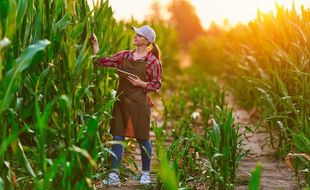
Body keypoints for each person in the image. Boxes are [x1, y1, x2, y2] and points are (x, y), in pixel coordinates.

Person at [89, 25, 162, 187]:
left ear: (147, 41)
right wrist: (95, 45)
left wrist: (141, 83)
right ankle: (113, 174)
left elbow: (157, 85)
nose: (135, 36)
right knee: (117, 137)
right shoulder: (124, 56)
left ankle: (145, 173)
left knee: (142, 138)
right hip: (121, 102)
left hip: (139, 104)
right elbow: (101, 61)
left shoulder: (152, 62)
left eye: (139, 35)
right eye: (135, 34)